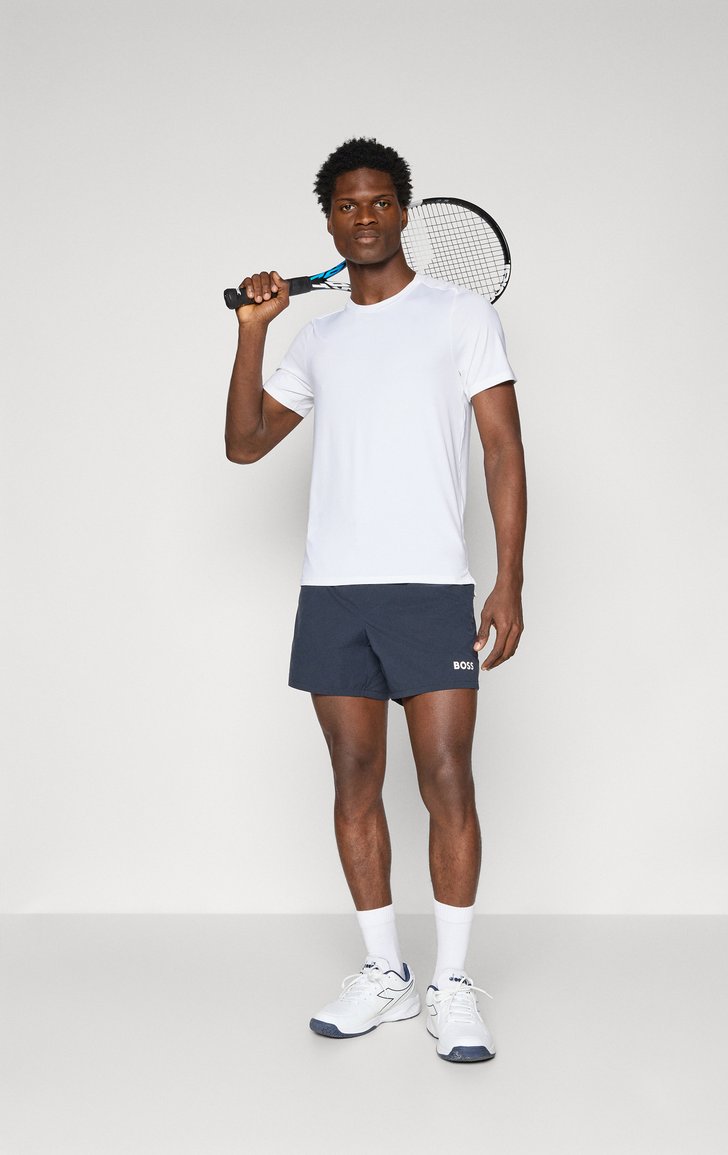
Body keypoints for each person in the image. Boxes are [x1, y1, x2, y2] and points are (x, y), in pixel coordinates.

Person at [224, 138, 526, 1063]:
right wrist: (253, 331)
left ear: (404, 212)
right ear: (330, 221)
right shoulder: (317, 339)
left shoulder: (460, 314)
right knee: (354, 779)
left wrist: (509, 578)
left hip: (431, 586)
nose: (365, 217)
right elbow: (244, 443)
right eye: (348, 205)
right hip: (335, 591)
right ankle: (385, 972)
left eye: (381, 202)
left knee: (446, 777)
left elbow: (503, 449)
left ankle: (452, 983)